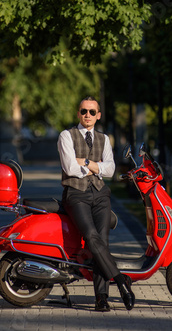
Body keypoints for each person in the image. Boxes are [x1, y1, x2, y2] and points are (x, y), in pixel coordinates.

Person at [57, 96, 135, 312]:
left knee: (102, 242)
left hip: (100, 194)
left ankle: (101, 298)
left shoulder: (103, 138)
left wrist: (86, 163)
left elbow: (111, 171)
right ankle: (120, 280)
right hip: (76, 194)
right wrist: (96, 166)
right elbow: (70, 169)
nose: (87, 115)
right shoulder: (66, 135)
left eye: (92, 112)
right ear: (78, 113)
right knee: (91, 238)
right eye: (83, 111)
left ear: (98, 115)